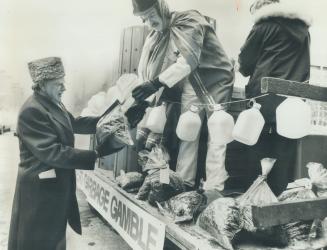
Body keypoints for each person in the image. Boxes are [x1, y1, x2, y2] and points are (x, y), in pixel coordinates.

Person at [8, 57, 124, 250]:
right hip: (39, 193)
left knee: (53, 240)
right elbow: (54, 153)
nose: (64, 88)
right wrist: (95, 154)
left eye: (64, 82)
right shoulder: (32, 111)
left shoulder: (52, 103)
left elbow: (75, 123)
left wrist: (112, 120)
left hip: (53, 188)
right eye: (58, 84)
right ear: (42, 84)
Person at [129, 0, 235, 193]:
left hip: (214, 79)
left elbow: (187, 61)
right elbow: (152, 67)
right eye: (144, 19)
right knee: (188, 130)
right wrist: (144, 97)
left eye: (151, 16)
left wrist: (154, 84)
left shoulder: (189, 20)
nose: (149, 23)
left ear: (161, 8)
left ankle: (214, 188)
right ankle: (184, 183)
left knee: (216, 134)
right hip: (191, 83)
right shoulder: (158, 35)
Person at [238, 0, 311, 195]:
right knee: (283, 154)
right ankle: (276, 207)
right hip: (293, 103)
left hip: (263, 101)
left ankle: (251, 205)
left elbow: (245, 64)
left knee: (255, 150)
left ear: (260, 9)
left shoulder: (263, 26)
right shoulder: (303, 29)